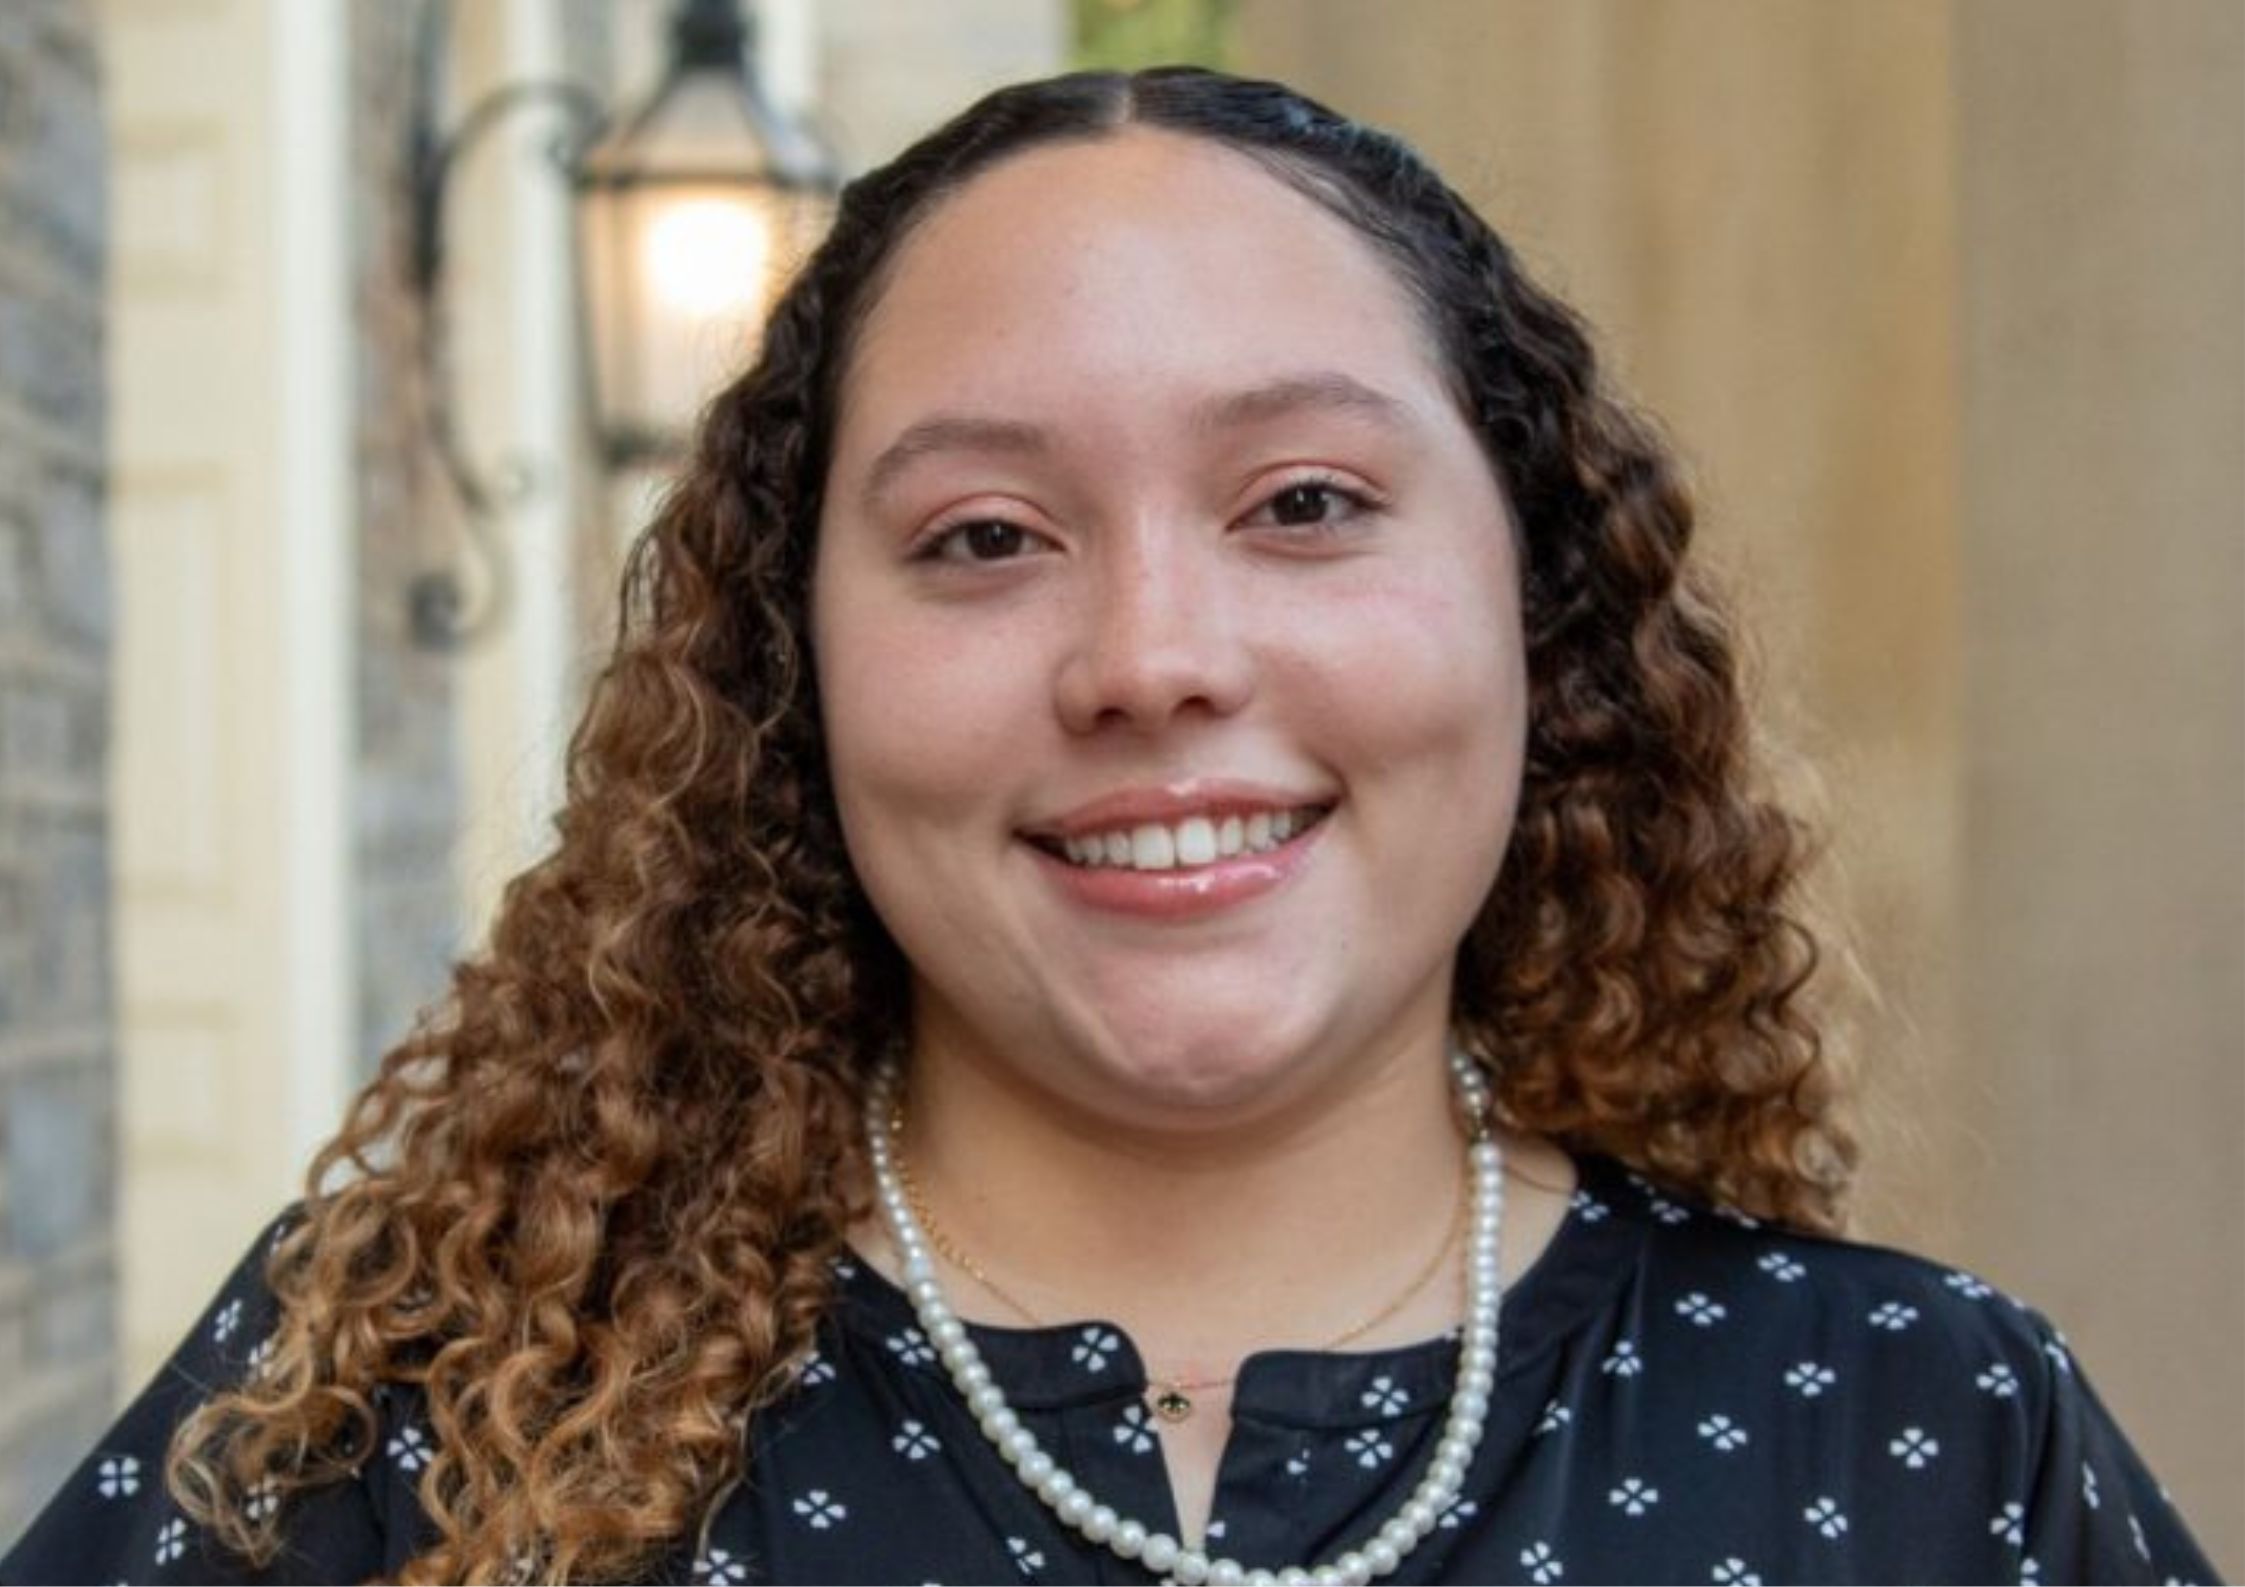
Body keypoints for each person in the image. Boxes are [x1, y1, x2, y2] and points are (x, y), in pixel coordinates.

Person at [3, 65, 2220, 1587]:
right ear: (794, 669)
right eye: (981, 535)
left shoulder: (1925, 1439)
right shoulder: (393, 1429)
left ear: (1532, 612)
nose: (1150, 653)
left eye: (1305, 504)